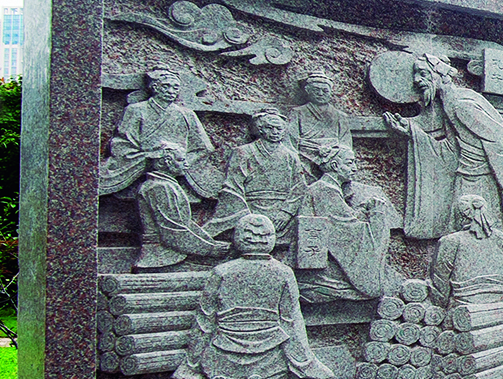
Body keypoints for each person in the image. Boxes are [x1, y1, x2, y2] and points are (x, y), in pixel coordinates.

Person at [172, 214, 332, 379]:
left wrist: (191, 363)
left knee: (213, 357)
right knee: (276, 361)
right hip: (268, 347)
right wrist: (306, 361)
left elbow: (205, 320)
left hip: (224, 347)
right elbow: (291, 320)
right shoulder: (283, 272)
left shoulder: (221, 272)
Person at [383, 52, 503, 239]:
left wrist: (488, 168)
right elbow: (453, 149)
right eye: (416, 75)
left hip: (480, 183)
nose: (417, 80)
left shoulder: (462, 105)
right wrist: (412, 132)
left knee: (477, 238)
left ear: (440, 75)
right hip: (466, 178)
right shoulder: (449, 102)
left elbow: (500, 139)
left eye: (423, 73)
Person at [296, 144, 400, 302]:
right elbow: (347, 231)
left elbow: (345, 219)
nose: (355, 168)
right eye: (350, 163)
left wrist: (362, 211)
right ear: (335, 165)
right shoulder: (325, 190)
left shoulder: (329, 189)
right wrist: (376, 214)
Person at [99, 67, 219, 198]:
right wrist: (151, 156)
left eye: (175, 87)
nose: (171, 91)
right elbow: (121, 144)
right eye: (166, 86)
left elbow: (203, 148)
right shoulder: (135, 110)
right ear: (155, 87)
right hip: (140, 166)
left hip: (175, 170)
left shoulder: (187, 114)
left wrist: (179, 162)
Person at [205, 109, 306, 241]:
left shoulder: (291, 156)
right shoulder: (243, 152)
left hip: (282, 214)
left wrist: (286, 213)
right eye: (269, 128)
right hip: (249, 209)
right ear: (260, 129)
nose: (275, 132)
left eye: (279, 128)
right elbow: (232, 186)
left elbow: (299, 187)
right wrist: (247, 217)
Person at [132, 142, 229, 269]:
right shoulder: (159, 187)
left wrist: (211, 243)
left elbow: (185, 223)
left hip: (172, 255)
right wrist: (210, 249)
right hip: (163, 258)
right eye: (181, 160)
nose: (186, 164)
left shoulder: (166, 185)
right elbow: (171, 231)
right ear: (165, 162)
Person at [429, 194, 503, 307]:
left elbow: (440, 280)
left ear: (461, 215)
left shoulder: (451, 241)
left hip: (463, 304)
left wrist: (440, 305)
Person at [285, 71, 354, 170]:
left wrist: (333, 152)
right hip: (303, 157)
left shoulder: (340, 116)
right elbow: (291, 139)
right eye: (316, 90)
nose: (320, 94)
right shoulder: (297, 112)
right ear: (308, 91)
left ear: (330, 92)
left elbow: (345, 143)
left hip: (333, 159)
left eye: (325, 91)